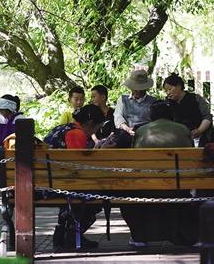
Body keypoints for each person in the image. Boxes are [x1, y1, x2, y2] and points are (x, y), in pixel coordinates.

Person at [121, 100, 199, 247]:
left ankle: (139, 237)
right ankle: (184, 234)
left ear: (151, 116)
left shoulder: (141, 131)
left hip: (147, 187)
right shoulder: (183, 130)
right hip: (178, 187)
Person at [44, 104, 106, 248]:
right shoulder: (77, 134)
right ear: (90, 123)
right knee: (99, 196)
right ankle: (72, 234)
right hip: (60, 185)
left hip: (48, 182)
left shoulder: (61, 129)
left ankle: (65, 232)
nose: (95, 132)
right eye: (97, 128)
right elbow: (78, 167)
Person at [163, 74, 214, 146]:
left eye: (170, 89)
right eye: (166, 91)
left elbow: (207, 117)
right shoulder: (167, 104)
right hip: (178, 140)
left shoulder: (196, 99)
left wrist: (199, 130)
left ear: (179, 86)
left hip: (201, 137)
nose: (168, 93)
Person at [114, 69, 157, 136]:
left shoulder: (153, 102)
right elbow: (118, 117)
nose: (138, 91)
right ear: (131, 88)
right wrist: (127, 129)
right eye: (136, 89)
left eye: (141, 89)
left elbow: (156, 122)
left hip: (147, 134)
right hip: (125, 133)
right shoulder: (123, 100)